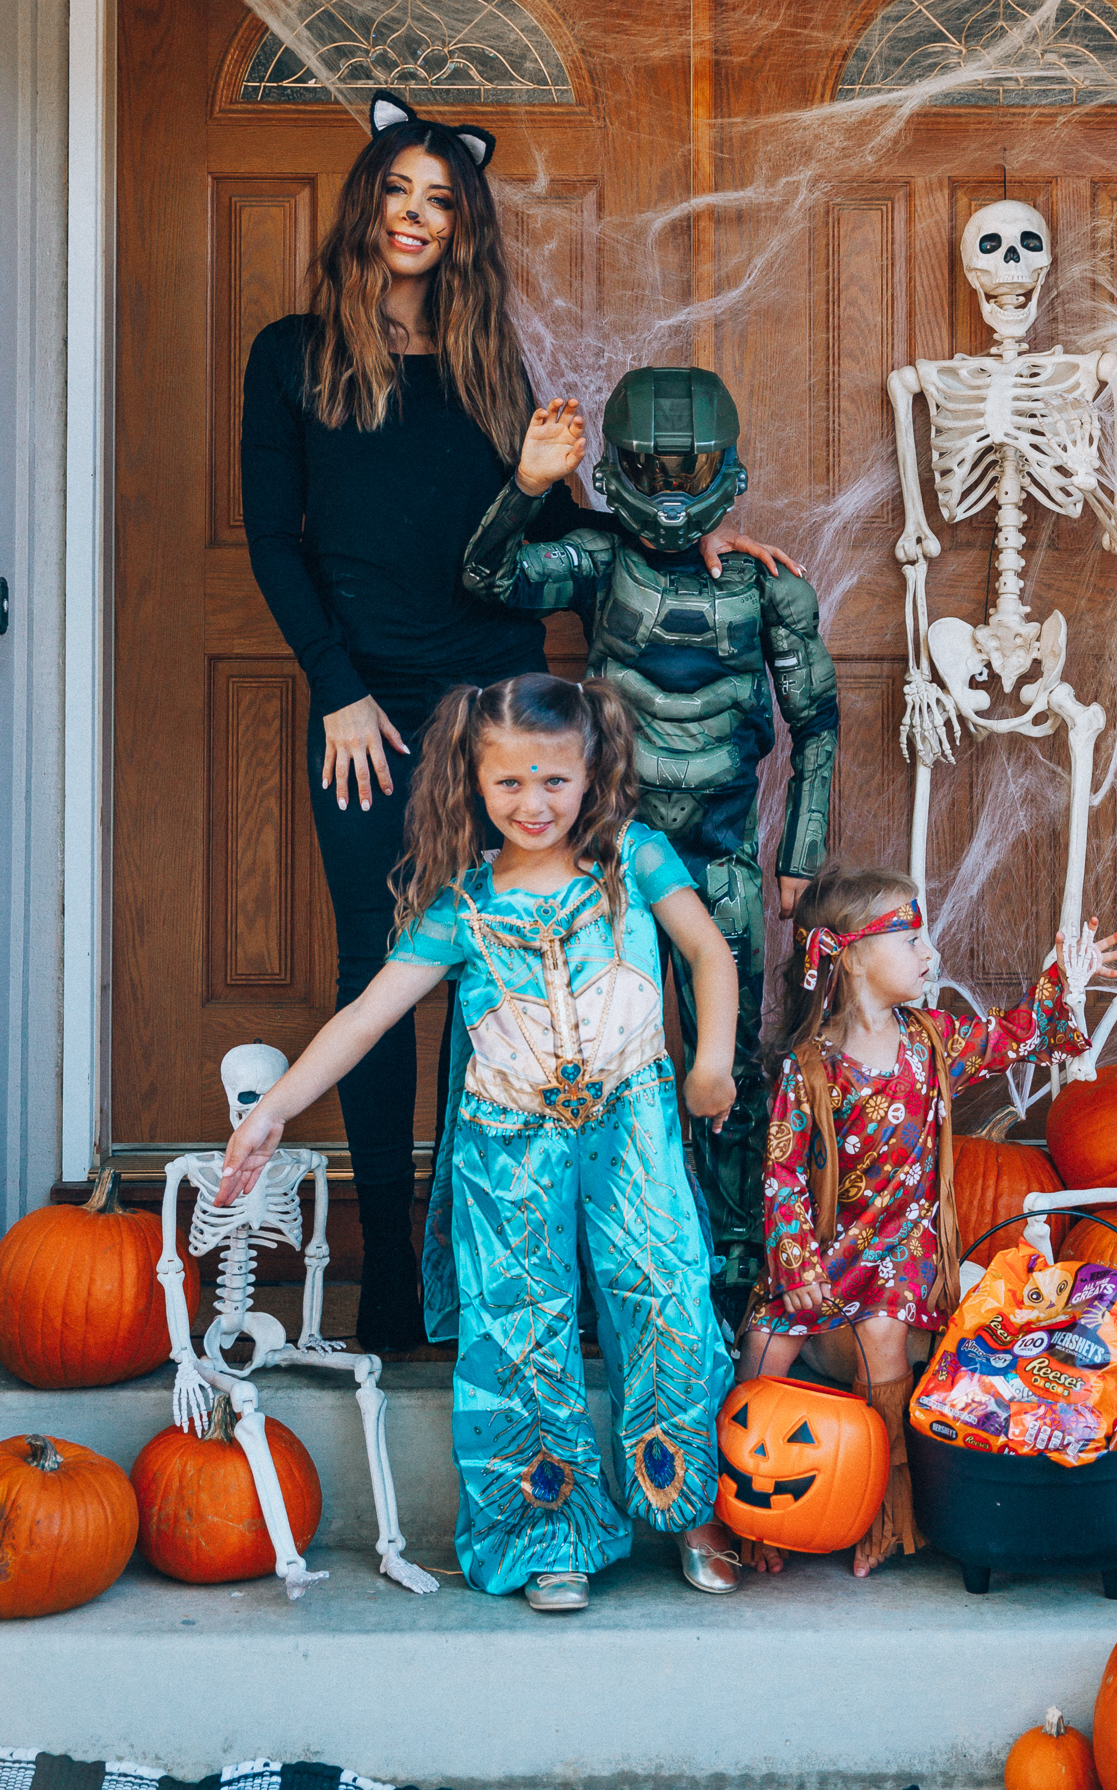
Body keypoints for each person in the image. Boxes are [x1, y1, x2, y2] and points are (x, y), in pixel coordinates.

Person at [240, 91, 796, 1349]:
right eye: (399, 192)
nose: (416, 218)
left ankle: (466, 1252)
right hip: (366, 713)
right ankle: (388, 1267)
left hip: (495, 706)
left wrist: (686, 537)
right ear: (366, 203)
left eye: (441, 201)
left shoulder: (494, 365)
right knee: (380, 971)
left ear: (464, 226)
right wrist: (333, 684)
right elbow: (275, 542)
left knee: (500, 976)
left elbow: (546, 531)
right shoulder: (292, 355)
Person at [217, 671, 743, 1611]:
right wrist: (274, 1110)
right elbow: (365, 1017)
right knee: (521, 1333)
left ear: (592, 775)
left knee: (665, 1298)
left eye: (553, 781)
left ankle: (689, 1507)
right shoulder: (461, 904)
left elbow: (707, 951)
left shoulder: (634, 858)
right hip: (510, 1152)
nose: (533, 804)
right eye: (509, 784)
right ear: (472, 781)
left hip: (632, 1127)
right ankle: (550, 1532)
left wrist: (712, 1061)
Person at [460, 367, 838, 1335]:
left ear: (728, 468)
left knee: (733, 1063)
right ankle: (608, 1261)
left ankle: (736, 1261)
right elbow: (487, 573)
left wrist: (799, 849)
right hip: (608, 865)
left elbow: (817, 721)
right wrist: (532, 482)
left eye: (691, 466)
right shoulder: (594, 562)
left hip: (720, 854)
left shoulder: (765, 589)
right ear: (619, 468)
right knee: (599, 1061)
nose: (672, 488)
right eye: (650, 466)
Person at [741, 859, 1117, 1576]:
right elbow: (784, 1175)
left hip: (902, 1249)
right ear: (851, 955)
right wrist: (794, 1269)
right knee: (765, 1341)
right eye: (911, 938)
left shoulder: (929, 1043)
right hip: (825, 1249)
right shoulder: (811, 1066)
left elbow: (1016, 1035)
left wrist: (1062, 988)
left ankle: (884, 1513)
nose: (929, 954)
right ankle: (758, 1519)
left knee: (883, 1333)